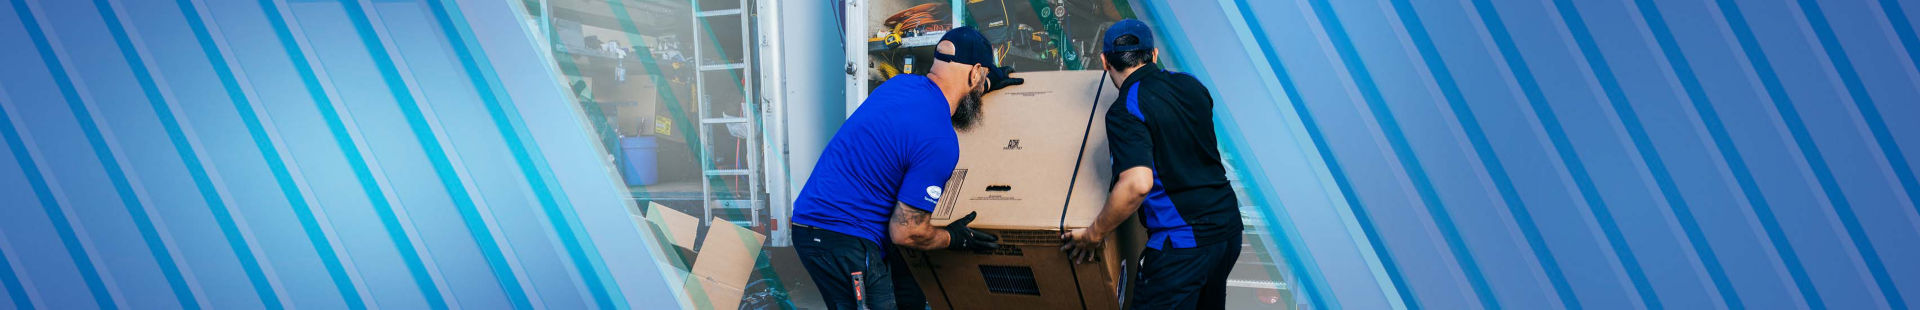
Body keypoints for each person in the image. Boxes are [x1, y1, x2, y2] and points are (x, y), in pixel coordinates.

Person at [790, 26, 1020, 310]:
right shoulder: (939, 140)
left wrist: (987, 80)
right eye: (982, 76)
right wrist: (954, 238)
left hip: (816, 224)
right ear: (974, 72)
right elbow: (906, 232)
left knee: (905, 294)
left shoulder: (899, 86)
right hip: (843, 237)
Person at [1061, 19, 1245, 309]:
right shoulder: (1191, 85)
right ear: (1154, 55)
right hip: (1228, 232)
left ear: (1104, 61)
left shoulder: (1124, 110)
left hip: (1183, 244)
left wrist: (1093, 234)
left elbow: (1137, 184)